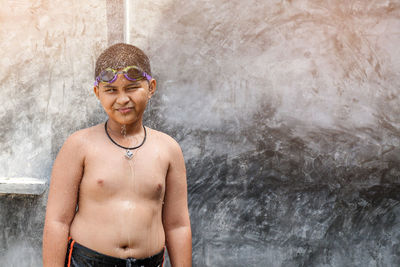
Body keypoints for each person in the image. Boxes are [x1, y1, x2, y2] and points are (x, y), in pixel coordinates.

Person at [43, 43, 192, 267]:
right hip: (88, 261)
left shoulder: (168, 149)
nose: (122, 99)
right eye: (111, 90)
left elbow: (177, 225)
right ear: (97, 92)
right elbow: (57, 221)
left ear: (151, 87)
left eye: (131, 88)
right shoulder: (79, 146)